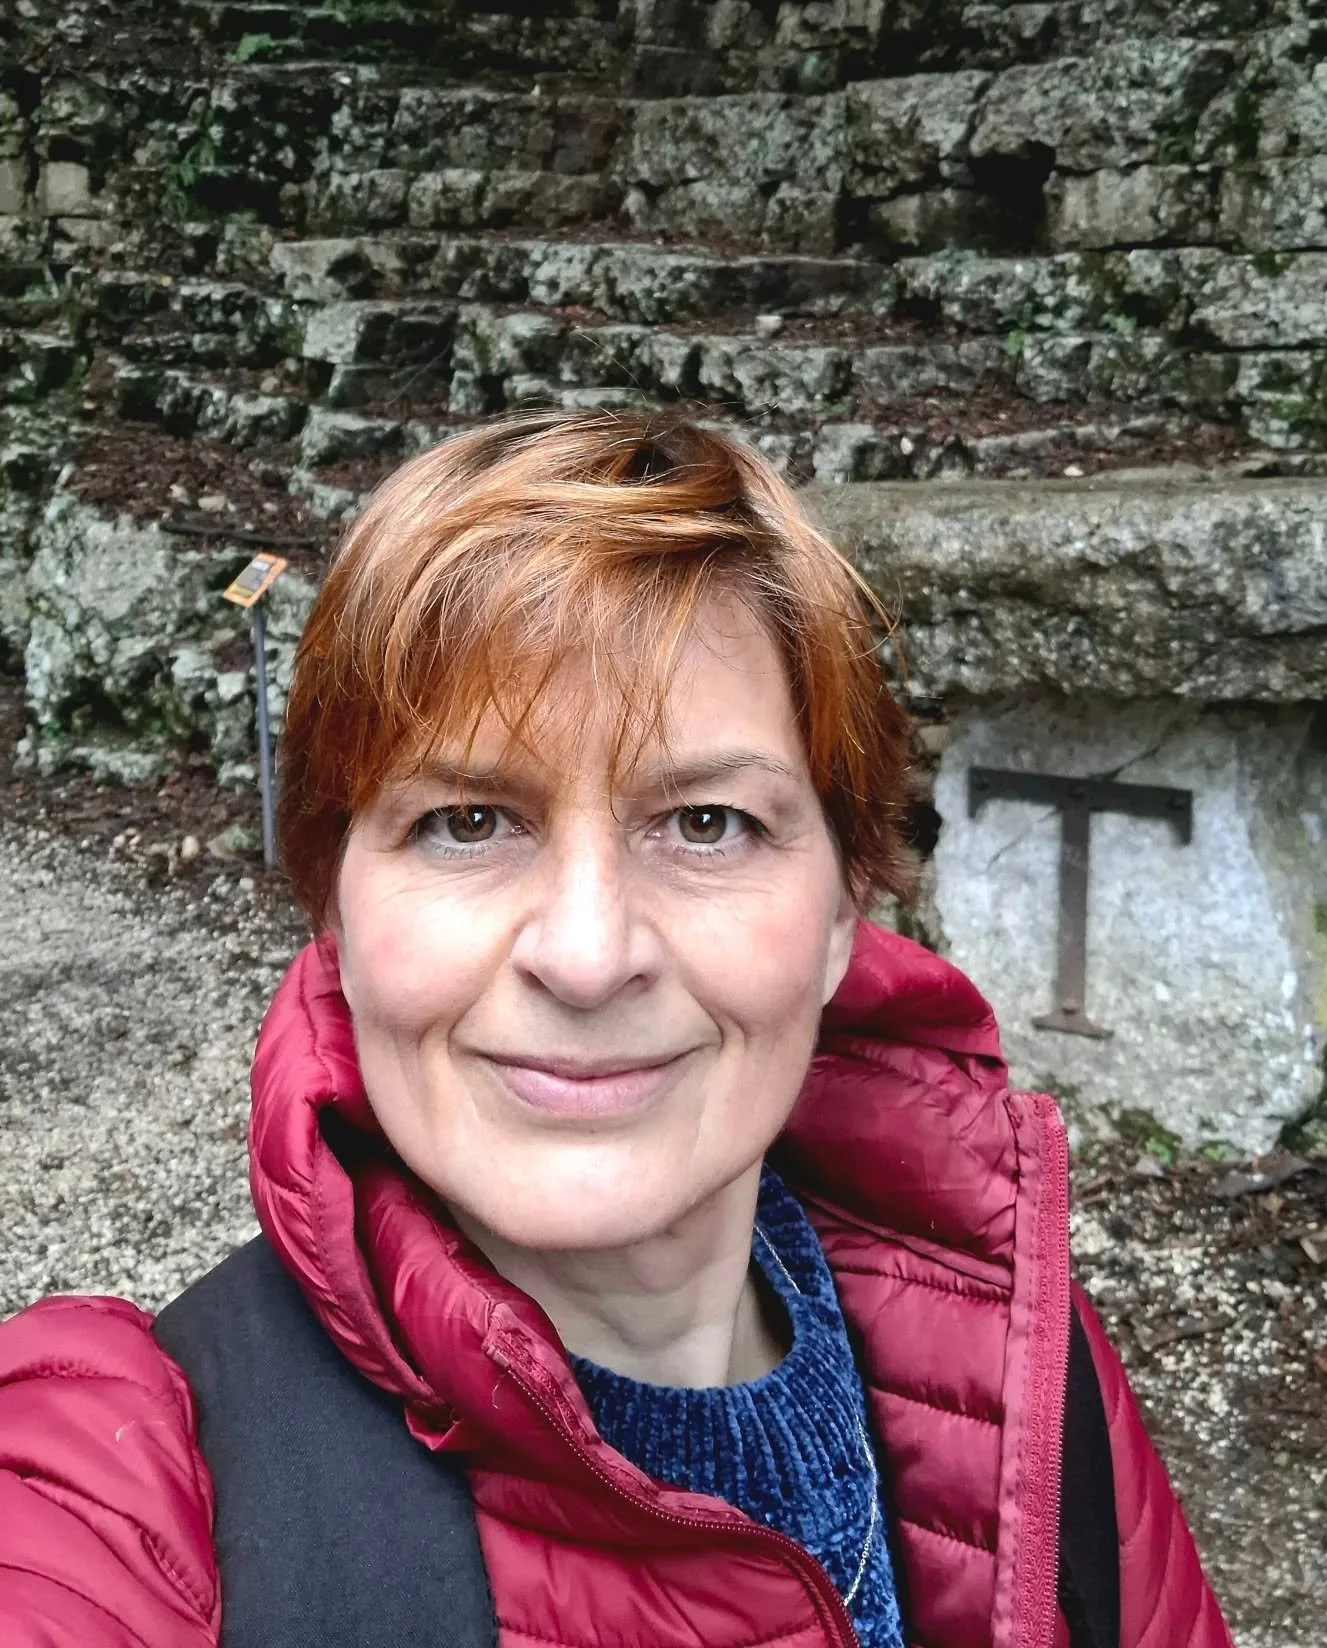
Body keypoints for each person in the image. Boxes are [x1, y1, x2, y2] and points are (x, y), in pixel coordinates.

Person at [0, 414, 1232, 1648]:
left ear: (848, 910)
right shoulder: (126, 1487)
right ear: (334, 900)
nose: (589, 958)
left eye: (705, 823)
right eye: (467, 822)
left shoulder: (1020, 1359)